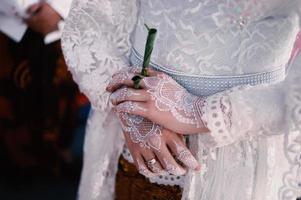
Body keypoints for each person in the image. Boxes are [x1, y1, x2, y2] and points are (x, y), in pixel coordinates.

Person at [62, 0, 301, 199]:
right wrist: (129, 105)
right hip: (135, 137)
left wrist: (200, 112)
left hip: (237, 157)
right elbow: (92, 18)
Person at [0, 0, 79, 174]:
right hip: (7, 22)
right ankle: (19, 160)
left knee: (61, 90)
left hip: (61, 22)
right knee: (12, 94)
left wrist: (58, 9)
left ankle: (59, 150)